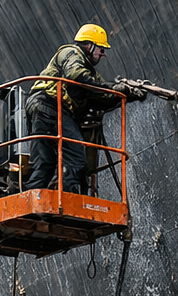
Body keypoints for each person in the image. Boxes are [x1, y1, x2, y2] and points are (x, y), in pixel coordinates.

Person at [25, 24, 144, 194]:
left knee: (45, 163)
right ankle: (67, 201)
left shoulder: (90, 74)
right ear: (89, 45)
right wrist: (115, 88)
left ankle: (31, 202)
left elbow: (101, 97)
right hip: (52, 105)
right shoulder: (72, 53)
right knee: (76, 159)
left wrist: (128, 94)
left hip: (39, 107)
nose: (103, 54)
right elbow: (76, 75)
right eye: (101, 49)